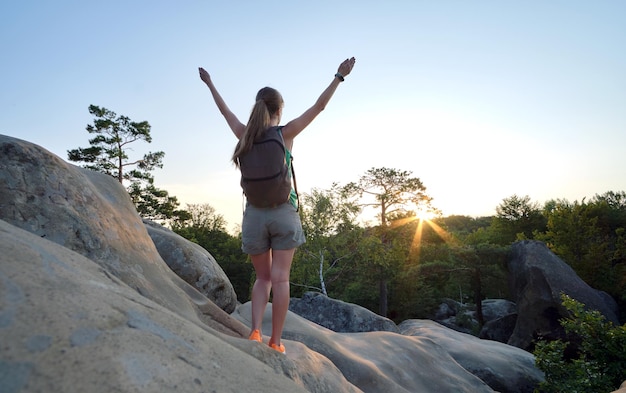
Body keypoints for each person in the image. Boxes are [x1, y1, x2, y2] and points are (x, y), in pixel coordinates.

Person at [198, 57, 356, 354]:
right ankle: (276, 341)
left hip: (254, 215)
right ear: (279, 109)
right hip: (284, 213)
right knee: (281, 279)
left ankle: (255, 331)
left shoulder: (244, 135)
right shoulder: (285, 134)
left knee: (263, 278)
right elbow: (319, 107)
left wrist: (210, 83)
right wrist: (338, 76)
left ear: (257, 107)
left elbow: (224, 111)